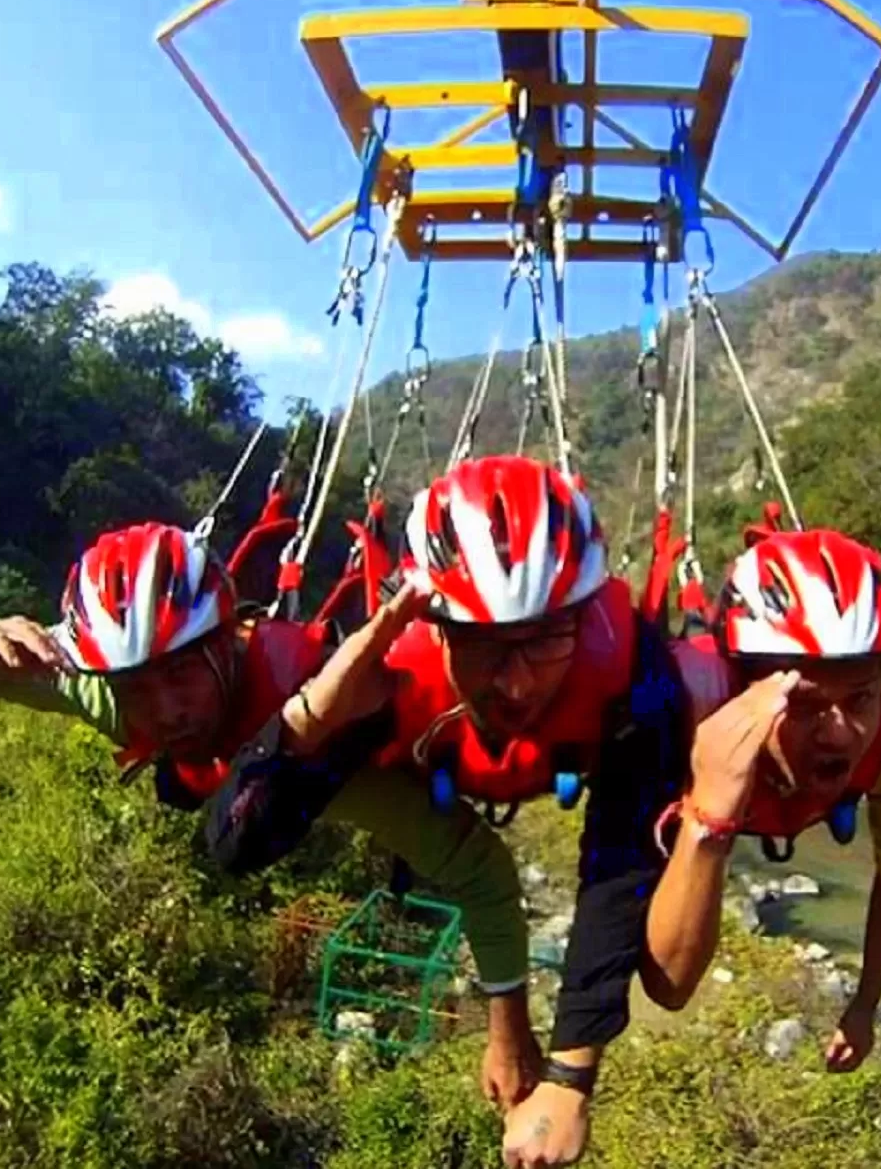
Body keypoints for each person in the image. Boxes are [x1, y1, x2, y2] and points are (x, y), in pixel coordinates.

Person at [0, 520, 542, 1106]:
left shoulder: (321, 736)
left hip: (286, 761)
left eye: (182, 675)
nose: (164, 712)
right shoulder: (105, 684)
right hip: (207, 773)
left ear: (225, 645)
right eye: (138, 686)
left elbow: (480, 873)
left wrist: (509, 1031)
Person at [222, 456, 698, 1169]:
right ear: (437, 626)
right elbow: (238, 845)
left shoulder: (634, 666)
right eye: (481, 644)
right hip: (435, 778)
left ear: (580, 615)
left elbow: (620, 858)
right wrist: (313, 715)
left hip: (555, 765)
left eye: (543, 639)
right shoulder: (387, 670)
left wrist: (571, 1073)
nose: (515, 681)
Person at [644, 527, 881, 1073]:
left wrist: (864, 1007)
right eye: (806, 702)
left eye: (861, 697)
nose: (839, 733)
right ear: (744, 689)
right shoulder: (679, 713)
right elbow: (669, 986)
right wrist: (708, 818)